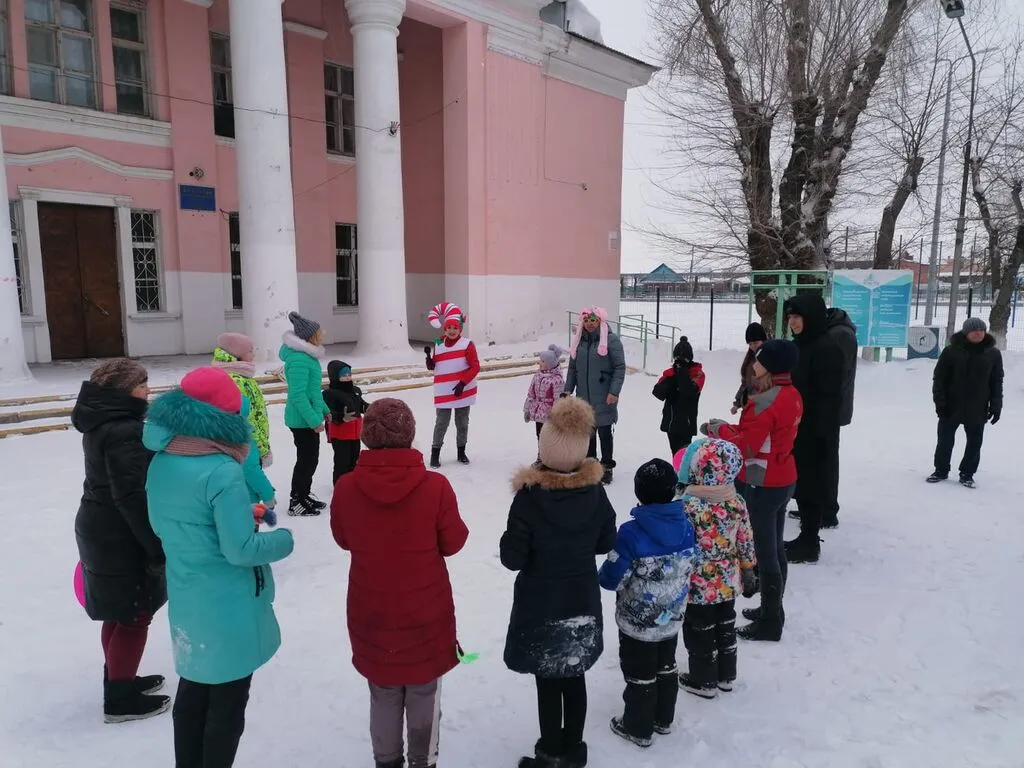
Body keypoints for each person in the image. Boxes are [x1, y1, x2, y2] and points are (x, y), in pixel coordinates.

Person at [144, 367, 294, 768]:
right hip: (227, 603)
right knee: (227, 706)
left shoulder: (162, 459)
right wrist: (284, 540)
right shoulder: (222, 469)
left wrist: (239, 514)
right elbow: (240, 551)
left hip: (188, 596)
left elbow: (174, 523)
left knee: (193, 693)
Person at [330, 398, 469, 768]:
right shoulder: (435, 487)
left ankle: (387, 761)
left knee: (383, 691)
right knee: (425, 690)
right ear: (409, 434)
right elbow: (453, 542)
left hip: (371, 613)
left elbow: (343, 538)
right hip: (426, 615)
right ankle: (424, 760)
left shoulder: (346, 487)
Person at [501, 397, 617, 768]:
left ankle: (550, 753)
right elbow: (605, 542)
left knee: (549, 681)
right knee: (575, 675)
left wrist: (512, 540)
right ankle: (574, 750)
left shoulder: (530, 499)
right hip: (580, 599)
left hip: (541, 605)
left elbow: (512, 558)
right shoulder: (596, 492)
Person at [72, 358, 169, 723]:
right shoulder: (124, 429)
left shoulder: (101, 422)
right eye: (141, 385)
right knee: (134, 612)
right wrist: (155, 546)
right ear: (122, 391)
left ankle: (119, 676)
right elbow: (131, 495)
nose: (148, 391)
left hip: (100, 526)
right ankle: (119, 698)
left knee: (118, 609)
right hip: (119, 531)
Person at [708, 339, 802, 641]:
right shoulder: (791, 394)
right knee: (775, 546)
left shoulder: (763, 401)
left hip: (763, 481)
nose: (753, 363)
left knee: (766, 551)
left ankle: (771, 620)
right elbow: (758, 436)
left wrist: (719, 431)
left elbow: (745, 446)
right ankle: (772, 609)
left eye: (758, 359)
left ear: (769, 366)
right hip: (784, 476)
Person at [598, 459, 695, 748]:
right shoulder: (687, 526)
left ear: (639, 493)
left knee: (640, 672)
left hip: (637, 622)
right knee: (666, 665)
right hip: (672, 616)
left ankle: (638, 726)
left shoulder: (631, 532)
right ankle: (663, 718)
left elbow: (612, 576)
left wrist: (605, 577)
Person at [673, 439, 755, 697]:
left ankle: (703, 679)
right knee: (726, 624)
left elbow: (680, 545)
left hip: (699, 583)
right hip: (729, 581)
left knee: (700, 629)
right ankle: (726, 675)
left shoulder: (689, 506)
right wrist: (749, 567)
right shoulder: (736, 501)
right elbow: (745, 538)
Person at [781, 293, 844, 564]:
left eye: (797, 316)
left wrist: (818, 432)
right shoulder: (801, 345)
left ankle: (810, 541)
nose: (792, 322)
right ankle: (806, 537)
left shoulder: (826, 348)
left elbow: (829, 396)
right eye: (790, 317)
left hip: (814, 430)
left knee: (812, 484)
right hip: (797, 428)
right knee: (802, 485)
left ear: (811, 317)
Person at [790, 307, 857, 527]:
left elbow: (837, 376)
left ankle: (826, 510)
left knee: (825, 462)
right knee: (815, 462)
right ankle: (813, 507)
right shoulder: (834, 333)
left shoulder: (839, 335)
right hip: (825, 408)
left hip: (828, 410)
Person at [928, 317, 1003, 488]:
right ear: (966, 332)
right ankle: (941, 470)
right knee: (945, 440)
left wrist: (996, 405)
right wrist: (940, 403)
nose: (978, 333)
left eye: (982, 330)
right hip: (951, 406)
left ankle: (967, 473)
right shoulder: (951, 351)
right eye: (974, 330)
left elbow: (996, 381)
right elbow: (939, 379)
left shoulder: (993, 354)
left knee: (975, 442)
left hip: (978, 406)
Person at [564, 307, 626, 485]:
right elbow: (572, 369)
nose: (590, 324)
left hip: (604, 395)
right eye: (587, 321)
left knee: (605, 432)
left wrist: (614, 391)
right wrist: (568, 389)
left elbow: (619, 367)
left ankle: (606, 467)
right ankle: (591, 466)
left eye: (594, 321)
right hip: (583, 395)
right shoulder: (579, 341)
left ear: (600, 321)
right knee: (588, 433)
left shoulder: (611, 340)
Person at [280, 310, 331, 516]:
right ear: (309, 336)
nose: (322, 335)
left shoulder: (307, 357)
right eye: (319, 333)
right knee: (306, 460)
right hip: (302, 420)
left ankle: (304, 494)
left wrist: (325, 411)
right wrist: (313, 420)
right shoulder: (299, 360)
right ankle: (296, 501)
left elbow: (313, 390)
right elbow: (298, 395)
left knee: (311, 459)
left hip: (309, 418)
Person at [424, 301, 480, 468]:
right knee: (441, 422)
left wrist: (463, 383)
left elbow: (475, 366)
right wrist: (429, 360)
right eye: (449, 328)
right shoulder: (439, 343)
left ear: (460, 329)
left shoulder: (467, 344)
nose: (452, 330)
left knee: (462, 423)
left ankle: (461, 452)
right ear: (445, 329)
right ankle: (435, 453)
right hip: (444, 391)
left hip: (463, 390)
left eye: (455, 328)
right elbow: (435, 365)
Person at [212, 332, 272, 467]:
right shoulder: (236, 380)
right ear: (237, 354)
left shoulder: (242, 376)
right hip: (247, 444)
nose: (253, 354)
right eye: (250, 351)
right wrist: (261, 447)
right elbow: (247, 417)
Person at [652, 336, 705, 455]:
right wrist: (672, 378)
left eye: (683, 359)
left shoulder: (697, 373)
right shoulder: (670, 374)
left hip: (686, 423)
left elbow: (690, 390)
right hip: (670, 421)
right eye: (677, 358)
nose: (679, 361)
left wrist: (682, 373)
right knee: (675, 454)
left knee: (684, 455)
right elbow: (658, 393)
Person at [323, 360, 368, 485]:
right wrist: (342, 417)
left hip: (355, 432)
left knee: (354, 459)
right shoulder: (329, 394)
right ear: (335, 376)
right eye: (343, 375)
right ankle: (340, 484)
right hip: (340, 433)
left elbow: (361, 405)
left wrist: (372, 408)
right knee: (342, 461)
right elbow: (328, 412)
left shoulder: (355, 390)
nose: (347, 377)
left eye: (349, 374)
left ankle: (352, 483)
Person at [524, 344, 566, 440]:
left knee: (549, 436)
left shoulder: (556, 380)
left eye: (543, 361)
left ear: (550, 364)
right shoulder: (537, 376)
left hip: (549, 414)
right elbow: (531, 394)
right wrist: (527, 409)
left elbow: (558, 400)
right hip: (538, 412)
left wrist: (556, 415)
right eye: (540, 360)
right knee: (539, 434)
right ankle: (541, 453)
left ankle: (550, 453)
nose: (540, 363)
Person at [732, 322, 767, 414]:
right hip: (749, 407)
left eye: (756, 343)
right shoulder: (750, 360)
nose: (753, 346)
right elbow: (745, 384)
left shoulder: (769, 360)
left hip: (763, 408)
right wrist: (737, 403)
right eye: (750, 344)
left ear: (763, 341)